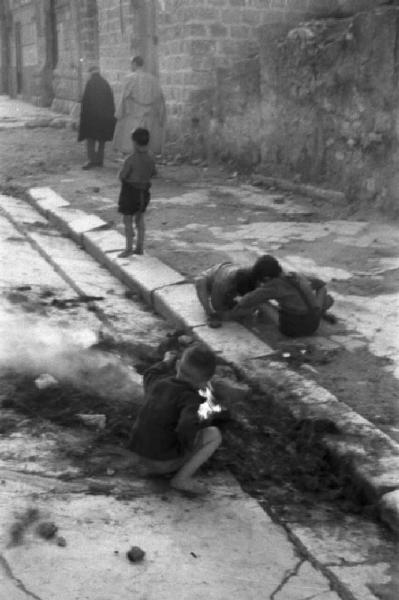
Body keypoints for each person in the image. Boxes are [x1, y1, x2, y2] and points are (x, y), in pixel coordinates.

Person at [128, 344, 222, 495]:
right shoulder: (191, 399)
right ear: (205, 382)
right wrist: (189, 444)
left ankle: (159, 462)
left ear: (178, 365)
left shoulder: (158, 382)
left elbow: (149, 373)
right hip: (162, 463)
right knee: (214, 434)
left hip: (138, 454)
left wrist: (165, 361)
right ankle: (181, 479)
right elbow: (187, 424)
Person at [231, 255, 335, 337]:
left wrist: (239, 299)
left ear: (266, 278)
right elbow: (321, 284)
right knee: (324, 299)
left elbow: (247, 300)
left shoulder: (273, 286)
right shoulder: (295, 275)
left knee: (261, 302)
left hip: (292, 330)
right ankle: (320, 310)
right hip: (314, 324)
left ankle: (262, 318)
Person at [194, 255, 282, 328]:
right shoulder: (223, 283)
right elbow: (218, 307)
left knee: (258, 303)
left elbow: (262, 296)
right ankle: (209, 313)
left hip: (234, 288)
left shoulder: (257, 275)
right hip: (213, 283)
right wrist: (227, 314)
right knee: (200, 281)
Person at [113, 55, 166, 155]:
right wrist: (159, 113)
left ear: (134, 64)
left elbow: (124, 96)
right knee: (148, 134)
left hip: (134, 112)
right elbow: (159, 97)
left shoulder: (129, 78)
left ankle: (133, 154)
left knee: (132, 136)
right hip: (149, 112)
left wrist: (120, 112)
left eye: (131, 64)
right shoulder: (153, 79)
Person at [117, 127, 156, 257]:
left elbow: (122, 176)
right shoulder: (151, 158)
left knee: (127, 220)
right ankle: (139, 246)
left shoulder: (131, 159)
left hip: (130, 192)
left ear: (134, 142)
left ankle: (128, 248)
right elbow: (154, 173)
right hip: (144, 191)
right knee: (140, 219)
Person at [78, 66, 116, 169]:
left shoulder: (90, 83)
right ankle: (100, 160)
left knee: (90, 140)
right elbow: (111, 102)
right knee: (101, 140)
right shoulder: (105, 83)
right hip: (104, 117)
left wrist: (83, 117)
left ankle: (91, 160)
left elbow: (86, 102)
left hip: (92, 118)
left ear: (91, 73)